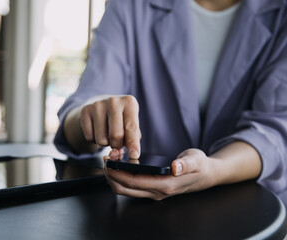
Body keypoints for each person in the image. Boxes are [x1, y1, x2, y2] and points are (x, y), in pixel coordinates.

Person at [54, 0, 287, 203]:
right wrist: (94, 116)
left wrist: (214, 170)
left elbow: (276, 131)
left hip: (252, 211)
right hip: (140, 213)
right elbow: (83, 105)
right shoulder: (130, 5)